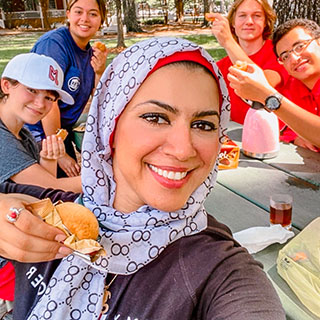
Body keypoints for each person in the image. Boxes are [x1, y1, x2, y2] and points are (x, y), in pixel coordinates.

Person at [0, 37, 286, 320]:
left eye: (203, 124)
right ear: (108, 127)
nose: (183, 149)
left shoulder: (218, 268)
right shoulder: (47, 213)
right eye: (156, 117)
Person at [0, 52, 81, 320]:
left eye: (49, 97)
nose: (41, 103)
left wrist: (47, 159)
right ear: (6, 86)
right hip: (7, 259)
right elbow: (54, 190)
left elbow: (39, 197)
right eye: (32, 90)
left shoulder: (21, 132)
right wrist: (118, 175)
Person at [26, 0, 108, 178]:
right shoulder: (54, 45)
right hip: (34, 134)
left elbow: (98, 98)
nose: (85, 19)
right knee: (59, 192)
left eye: (93, 14)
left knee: (80, 182)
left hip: (60, 133)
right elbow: (47, 100)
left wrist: (100, 72)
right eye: (79, 12)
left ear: (101, 20)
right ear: (68, 14)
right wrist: (60, 153)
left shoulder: (90, 53)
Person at [228, 18, 320, 150]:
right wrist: (296, 138)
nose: (294, 58)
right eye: (285, 56)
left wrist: (268, 96)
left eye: (300, 46)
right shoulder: (295, 87)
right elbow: (285, 129)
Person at [208, 0, 289, 124]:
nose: (249, 22)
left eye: (257, 16)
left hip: (276, 138)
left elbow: (258, 86)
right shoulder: (221, 66)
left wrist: (228, 42)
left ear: (266, 22)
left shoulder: (279, 53)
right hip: (236, 138)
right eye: (242, 16)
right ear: (233, 23)